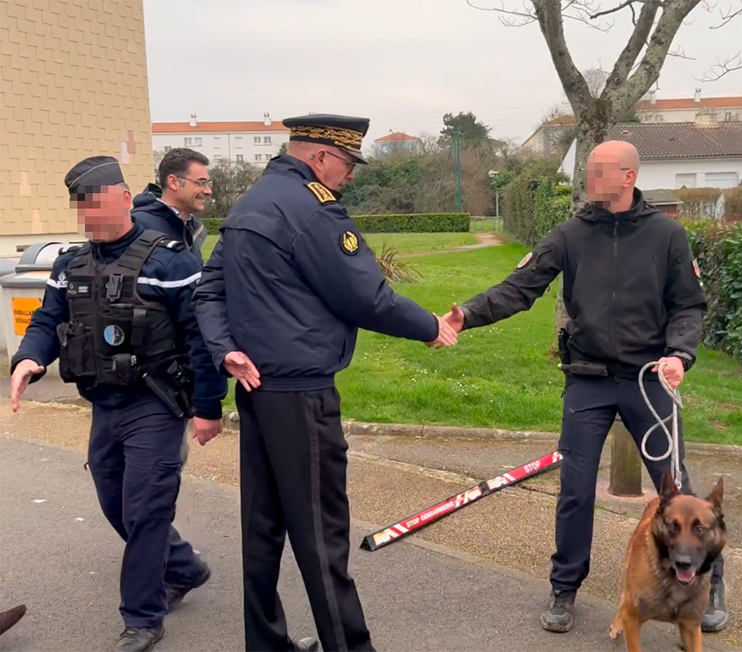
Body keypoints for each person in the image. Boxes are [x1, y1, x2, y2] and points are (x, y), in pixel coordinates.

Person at [191, 114, 458, 652]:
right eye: (347, 163)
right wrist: (430, 326)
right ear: (319, 157)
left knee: (262, 531)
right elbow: (364, 295)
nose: (351, 175)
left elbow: (208, 293)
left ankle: (266, 644)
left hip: (257, 391)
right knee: (322, 537)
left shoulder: (248, 203)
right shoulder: (312, 210)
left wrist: (226, 353)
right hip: (302, 394)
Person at [438, 140, 729, 635]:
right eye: (587, 170)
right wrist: (467, 315)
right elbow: (520, 287)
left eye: (599, 171)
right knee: (574, 490)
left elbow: (688, 305)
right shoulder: (570, 234)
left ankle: (708, 584)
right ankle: (564, 586)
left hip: (647, 380)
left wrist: (679, 355)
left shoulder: (667, 235)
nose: (589, 179)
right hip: (589, 380)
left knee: (680, 494)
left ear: (627, 177)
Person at [9, 156, 227, 652]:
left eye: (99, 204)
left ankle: (143, 619)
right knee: (117, 506)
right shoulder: (70, 265)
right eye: (83, 208)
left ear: (126, 198)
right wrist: (29, 359)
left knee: (146, 510)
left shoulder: (170, 261)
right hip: (104, 404)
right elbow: (47, 321)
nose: (91, 217)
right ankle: (186, 567)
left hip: (154, 402)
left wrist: (209, 407)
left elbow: (203, 337)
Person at [132, 147, 212, 265]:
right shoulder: (138, 226)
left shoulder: (192, 227)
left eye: (208, 183)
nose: (208, 191)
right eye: (200, 183)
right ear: (173, 182)